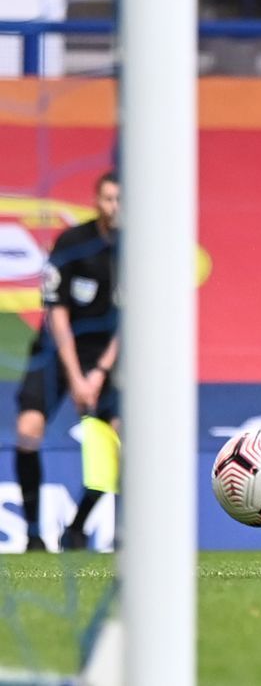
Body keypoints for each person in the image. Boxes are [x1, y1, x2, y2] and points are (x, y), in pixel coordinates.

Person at [13, 171, 120, 552]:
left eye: (121, 199)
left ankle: (77, 526)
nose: (115, 207)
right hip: (57, 351)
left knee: (119, 443)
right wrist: (76, 377)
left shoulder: (138, 253)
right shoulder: (74, 243)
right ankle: (32, 533)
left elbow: (131, 321)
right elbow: (55, 313)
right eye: (108, 198)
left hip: (105, 357)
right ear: (97, 201)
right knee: (28, 430)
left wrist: (101, 372)